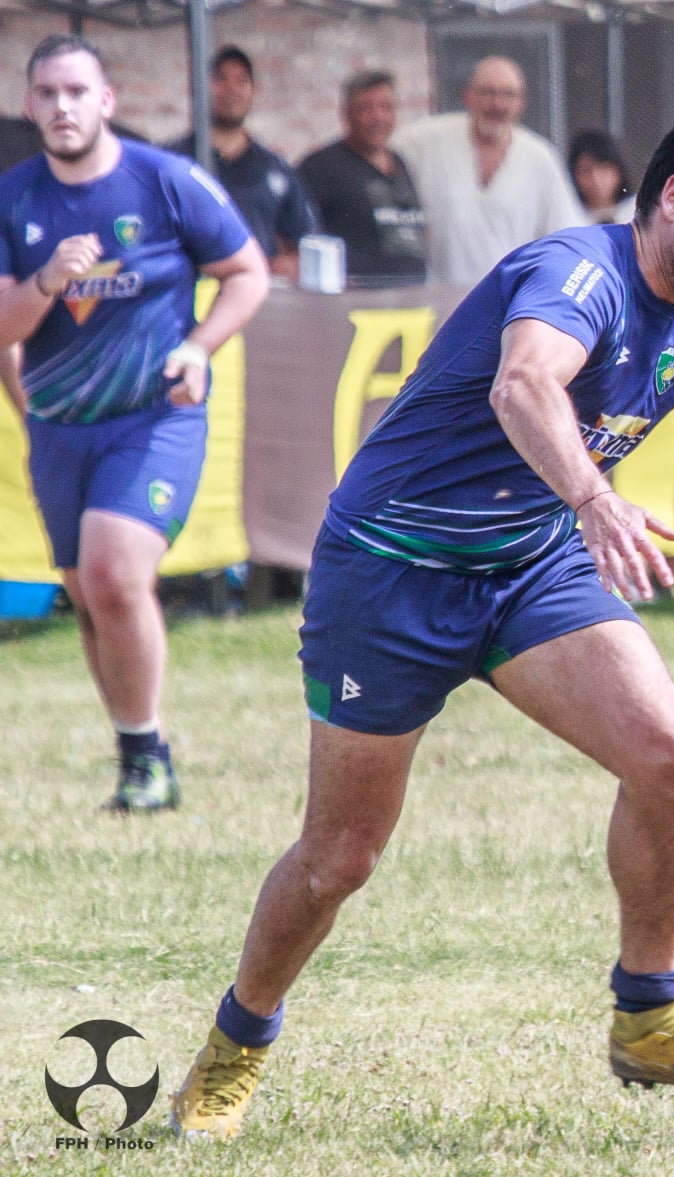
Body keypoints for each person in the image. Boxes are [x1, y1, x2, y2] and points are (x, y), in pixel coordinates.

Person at [167, 103, 674, 1141]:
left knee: (670, 756)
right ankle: (234, 1045)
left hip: (525, 567)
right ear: (672, 197)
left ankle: (649, 1016)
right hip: (392, 576)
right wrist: (592, 497)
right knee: (339, 856)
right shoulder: (577, 274)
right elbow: (523, 382)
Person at [0, 34, 268, 811]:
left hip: (154, 418)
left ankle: (149, 752)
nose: (62, 107)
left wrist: (199, 344)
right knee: (87, 594)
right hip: (58, 428)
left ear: (107, 100)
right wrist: (49, 280)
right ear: (28, 106)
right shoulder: (13, 198)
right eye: (47, 94)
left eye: (77, 92)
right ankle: (136, 751)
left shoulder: (166, 180)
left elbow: (248, 272)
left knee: (117, 572)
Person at [393, 56, 584, 286]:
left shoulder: (540, 158)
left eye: (508, 95)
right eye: (488, 93)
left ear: (521, 103)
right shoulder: (426, 140)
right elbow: (376, 158)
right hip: (438, 299)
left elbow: (567, 235)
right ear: (468, 96)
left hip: (508, 301)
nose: (498, 104)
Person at [165, 46, 316, 282]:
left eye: (241, 80)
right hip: (187, 300)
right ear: (198, 88)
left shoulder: (275, 168)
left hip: (261, 303)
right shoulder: (172, 161)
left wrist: (290, 263)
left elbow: (305, 239)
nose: (232, 89)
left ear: (253, 90)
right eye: (220, 79)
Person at [296, 70, 427, 287]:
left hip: (413, 299)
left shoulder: (401, 163)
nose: (378, 117)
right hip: (356, 306)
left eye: (386, 107)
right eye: (366, 108)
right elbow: (299, 238)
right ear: (346, 114)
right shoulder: (320, 167)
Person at [569, 128, 635, 225]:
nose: (596, 179)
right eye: (586, 171)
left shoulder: (638, 211)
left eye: (604, 168)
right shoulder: (570, 215)